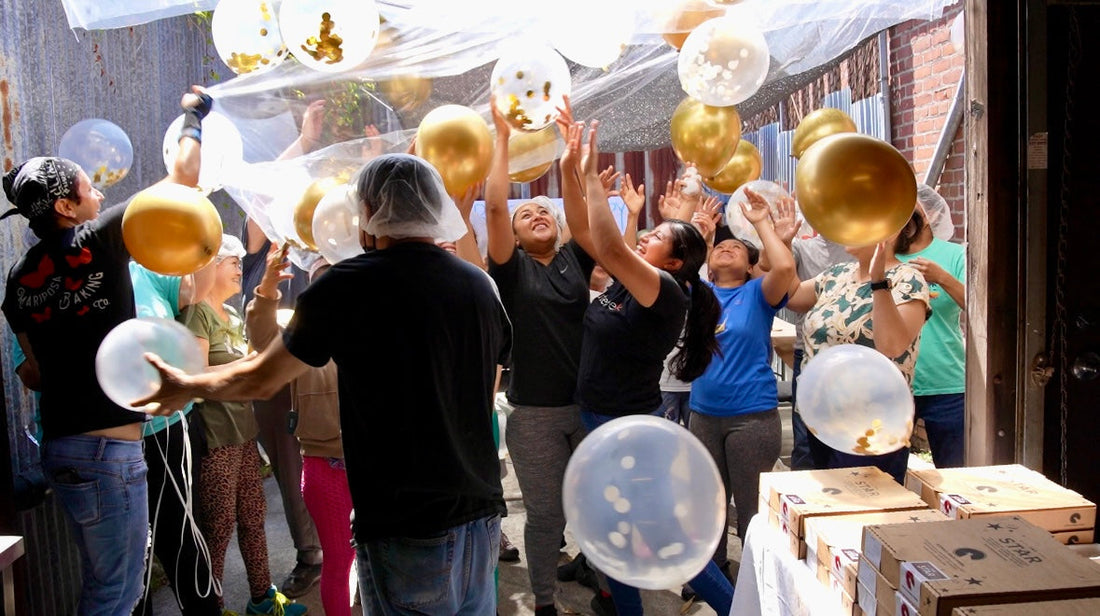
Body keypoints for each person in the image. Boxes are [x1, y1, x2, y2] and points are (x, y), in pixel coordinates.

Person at [137, 153, 512, 615]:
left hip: (406, 523)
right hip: (480, 516)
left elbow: (260, 377)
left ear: (369, 212)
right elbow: (491, 378)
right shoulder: (479, 286)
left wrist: (187, 385)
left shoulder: (348, 286)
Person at [1, 87, 207, 615]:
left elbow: (34, 373)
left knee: (104, 586)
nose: (98, 193)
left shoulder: (17, 279)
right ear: (68, 207)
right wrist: (192, 116)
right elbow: (181, 183)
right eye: (89, 188)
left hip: (62, 448)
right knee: (115, 595)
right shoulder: (100, 239)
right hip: (107, 453)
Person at [572, 122, 733, 616]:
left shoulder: (665, 293)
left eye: (657, 236)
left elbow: (613, 246)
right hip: (602, 422)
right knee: (617, 541)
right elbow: (585, 232)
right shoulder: (632, 281)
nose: (644, 237)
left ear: (678, 261)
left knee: (672, 543)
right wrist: (570, 167)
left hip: (630, 432)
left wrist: (595, 185)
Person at [482, 101, 596, 616]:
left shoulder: (575, 258)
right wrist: (503, 139)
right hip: (534, 415)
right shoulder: (510, 270)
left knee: (594, 506)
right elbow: (494, 210)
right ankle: (546, 604)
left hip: (589, 405)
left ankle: (608, 587)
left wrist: (571, 163)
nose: (536, 214)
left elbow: (580, 214)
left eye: (542, 210)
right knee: (547, 515)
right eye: (527, 214)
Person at [181, 233, 307, 616]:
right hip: (216, 438)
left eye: (239, 261)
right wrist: (249, 365)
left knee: (253, 519)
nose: (240, 269)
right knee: (217, 529)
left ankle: (262, 599)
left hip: (244, 433)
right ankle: (211, 606)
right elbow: (196, 373)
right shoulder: (196, 314)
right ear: (211, 267)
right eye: (232, 262)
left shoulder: (233, 314)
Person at [688, 189, 797, 576]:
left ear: (752, 267)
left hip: (752, 418)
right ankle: (714, 574)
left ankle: (755, 577)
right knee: (709, 502)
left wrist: (762, 223)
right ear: (710, 265)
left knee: (750, 506)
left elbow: (783, 268)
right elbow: (678, 265)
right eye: (722, 245)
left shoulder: (758, 294)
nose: (728, 247)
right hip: (702, 415)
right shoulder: (698, 295)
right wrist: (699, 234)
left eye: (738, 247)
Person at [246, 247, 353, 616]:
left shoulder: (376, 325)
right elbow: (261, 338)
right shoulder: (300, 332)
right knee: (338, 564)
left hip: (377, 464)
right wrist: (267, 291)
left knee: (382, 560)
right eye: (322, 278)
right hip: (327, 465)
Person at [786, 236, 931, 484]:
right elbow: (790, 296)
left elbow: (892, 345)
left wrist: (878, 283)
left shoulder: (908, 279)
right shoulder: (837, 275)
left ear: (889, 233)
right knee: (823, 506)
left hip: (871, 424)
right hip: (821, 418)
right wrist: (780, 241)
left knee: (866, 509)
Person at [129, 259, 222, 616]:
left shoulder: (143, 271)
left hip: (165, 430)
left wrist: (203, 241)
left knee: (182, 541)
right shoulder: (42, 283)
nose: (102, 197)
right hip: (102, 446)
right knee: (128, 563)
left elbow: (195, 289)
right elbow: (33, 373)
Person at [895, 185, 966, 468]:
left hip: (947, 382)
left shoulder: (954, 255)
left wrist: (942, 277)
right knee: (887, 473)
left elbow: (977, 308)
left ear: (931, 213)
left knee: (955, 474)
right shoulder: (883, 258)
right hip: (895, 383)